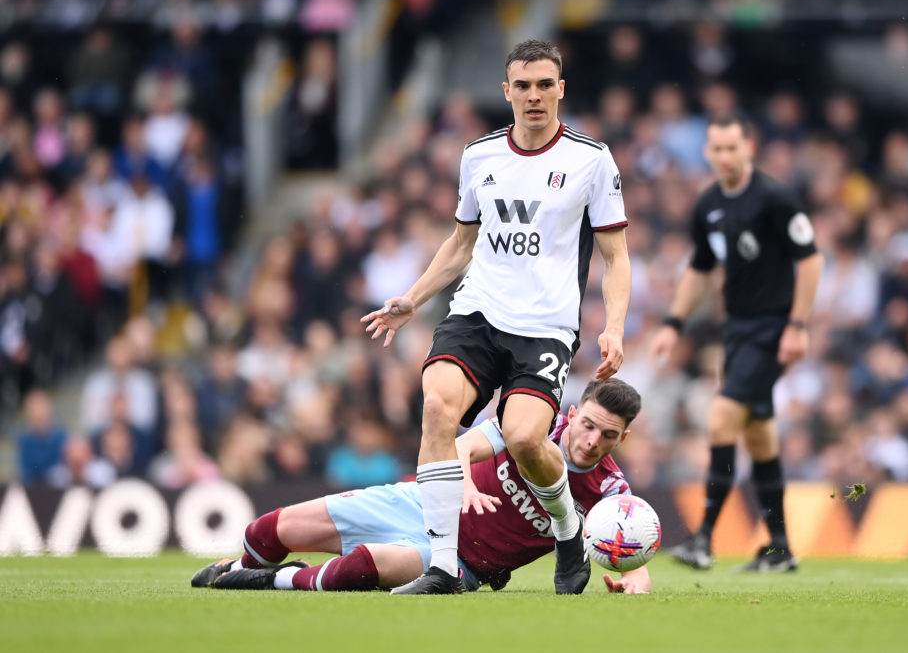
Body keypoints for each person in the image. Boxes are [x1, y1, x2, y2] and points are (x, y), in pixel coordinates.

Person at [359, 40, 631, 594]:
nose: (534, 96)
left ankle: (567, 532)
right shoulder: (479, 155)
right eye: (523, 86)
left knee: (525, 437)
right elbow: (462, 243)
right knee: (437, 406)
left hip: (546, 326)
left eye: (545, 85)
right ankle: (442, 566)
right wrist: (413, 296)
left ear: (561, 89)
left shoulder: (591, 159)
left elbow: (615, 255)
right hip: (478, 311)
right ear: (507, 92)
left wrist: (615, 326)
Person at [190, 379, 650, 594]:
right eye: (588, 425)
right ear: (574, 412)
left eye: (608, 435)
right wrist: (466, 483)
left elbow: (633, 550)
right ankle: (242, 566)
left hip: (464, 562)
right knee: (266, 531)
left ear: (622, 438)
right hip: (419, 503)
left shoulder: (610, 488)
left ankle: (274, 581)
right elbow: (466, 444)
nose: (592, 441)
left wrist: (636, 585)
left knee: (363, 567)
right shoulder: (531, 425)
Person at [650, 112, 823, 572]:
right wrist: (673, 322)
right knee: (759, 436)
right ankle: (781, 548)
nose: (724, 156)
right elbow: (701, 269)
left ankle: (703, 539)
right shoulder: (708, 205)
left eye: (733, 147)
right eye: (717, 149)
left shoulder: (775, 198)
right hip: (739, 331)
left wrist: (798, 325)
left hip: (773, 328)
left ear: (750, 147)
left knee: (721, 417)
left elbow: (810, 261)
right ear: (707, 152)